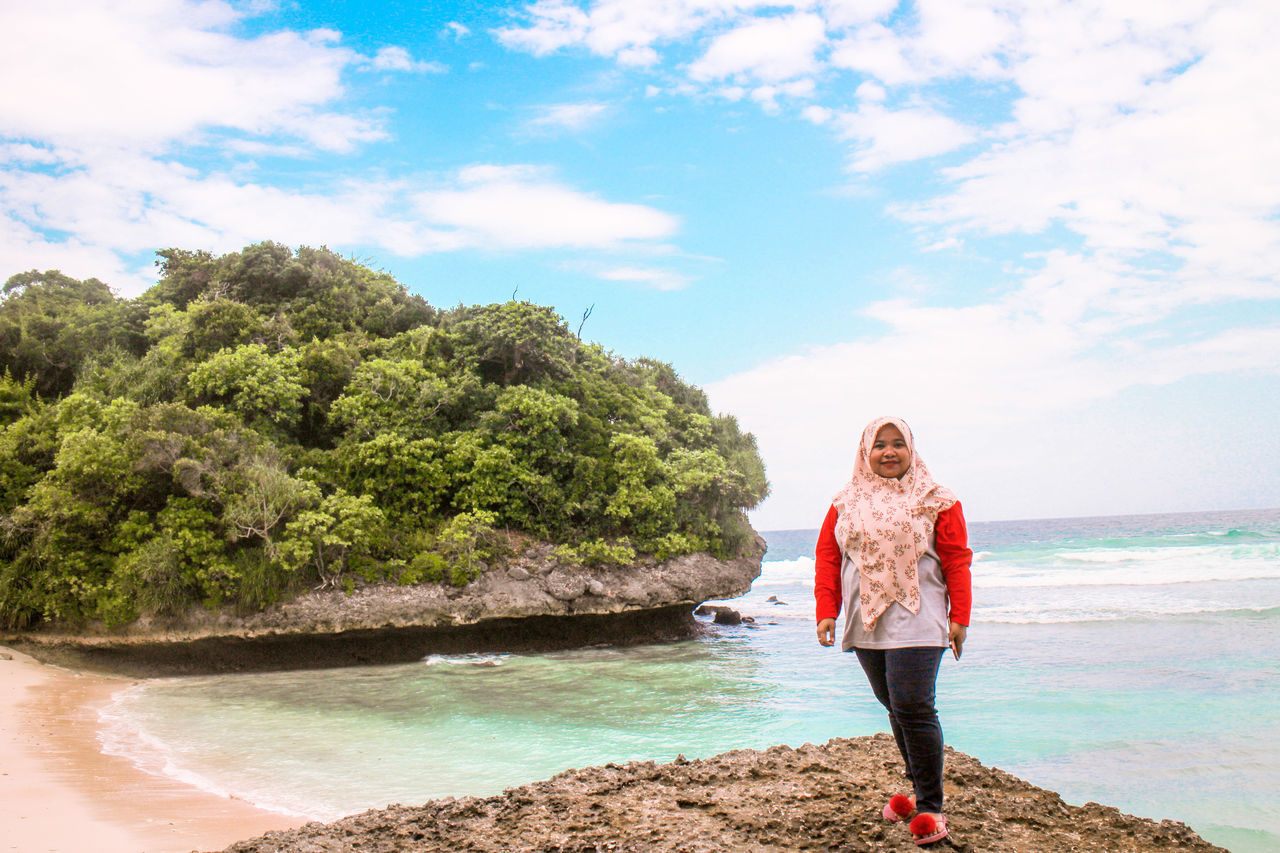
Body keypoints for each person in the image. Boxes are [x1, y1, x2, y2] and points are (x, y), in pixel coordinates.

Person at [814, 416, 972, 847]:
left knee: (914, 705)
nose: (889, 452)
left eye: (897, 443)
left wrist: (961, 616)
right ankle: (915, 793)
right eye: (879, 444)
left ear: (911, 449)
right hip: (867, 620)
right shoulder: (844, 502)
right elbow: (828, 558)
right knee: (894, 705)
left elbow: (957, 558)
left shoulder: (936, 499)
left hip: (921, 617)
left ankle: (931, 808)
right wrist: (826, 609)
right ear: (866, 452)